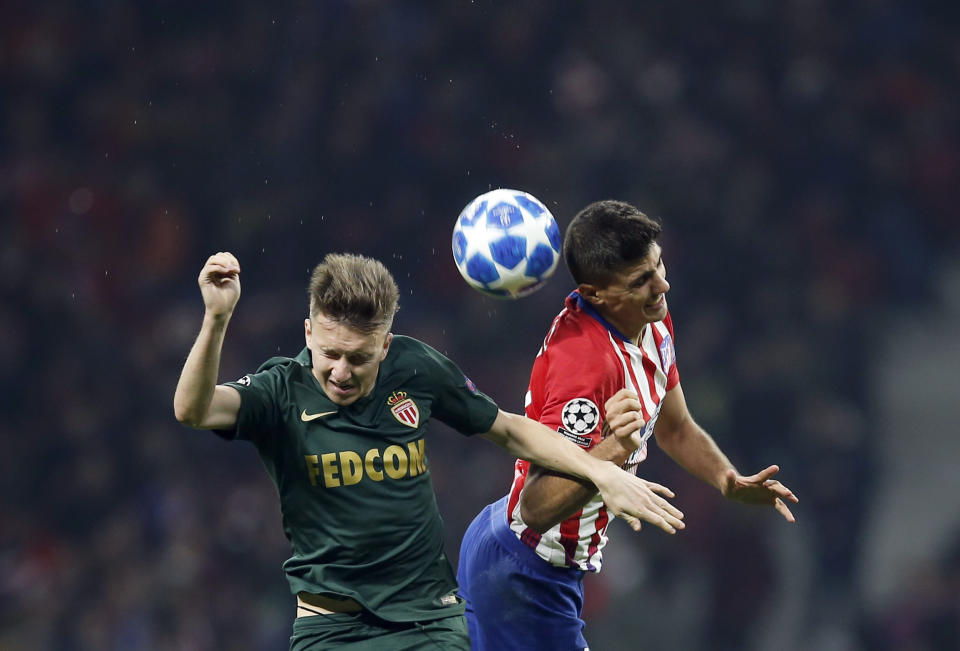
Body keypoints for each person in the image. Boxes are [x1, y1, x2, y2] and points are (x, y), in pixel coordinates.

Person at [173, 250, 685, 650]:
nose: (341, 372)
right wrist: (217, 319)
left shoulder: (414, 368)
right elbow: (193, 410)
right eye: (328, 354)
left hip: (431, 621)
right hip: (333, 630)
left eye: (359, 357)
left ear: (387, 345)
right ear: (308, 332)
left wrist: (601, 471)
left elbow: (510, 429)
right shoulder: (279, 390)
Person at [457, 200, 800, 650]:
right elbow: (537, 508)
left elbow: (675, 428)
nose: (663, 284)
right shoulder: (584, 366)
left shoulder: (649, 320)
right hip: (524, 573)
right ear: (595, 293)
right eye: (643, 280)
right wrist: (613, 450)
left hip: (532, 563)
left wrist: (726, 480)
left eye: (658, 267)